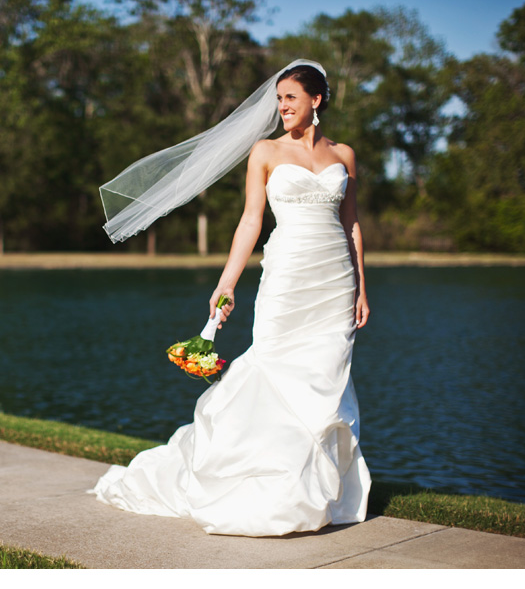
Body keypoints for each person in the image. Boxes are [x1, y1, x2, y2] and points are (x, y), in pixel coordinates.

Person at [92, 60, 371, 537]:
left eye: (291, 98)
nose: (281, 106)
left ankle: (317, 487)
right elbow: (250, 222)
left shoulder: (343, 154)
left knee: (326, 380)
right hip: (287, 277)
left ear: (316, 100)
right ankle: (263, 480)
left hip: (334, 282)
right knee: (275, 368)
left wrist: (362, 286)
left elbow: (351, 224)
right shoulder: (264, 152)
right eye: (279, 98)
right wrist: (227, 283)